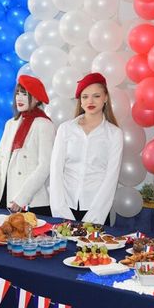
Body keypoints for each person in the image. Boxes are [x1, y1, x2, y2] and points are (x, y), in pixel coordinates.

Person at [50, 72, 123, 224]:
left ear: (105, 98)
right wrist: (60, 210)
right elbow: (56, 170)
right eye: (85, 97)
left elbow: (111, 177)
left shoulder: (114, 134)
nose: (90, 101)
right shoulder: (66, 129)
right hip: (65, 208)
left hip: (97, 210)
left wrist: (95, 217)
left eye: (96, 96)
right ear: (80, 101)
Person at [0, 75, 55, 216]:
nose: (19, 98)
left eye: (25, 94)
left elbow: (45, 166)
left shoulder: (44, 124)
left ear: (37, 99)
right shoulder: (11, 123)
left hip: (31, 201)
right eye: (17, 93)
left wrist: (22, 197)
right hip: (5, 197)